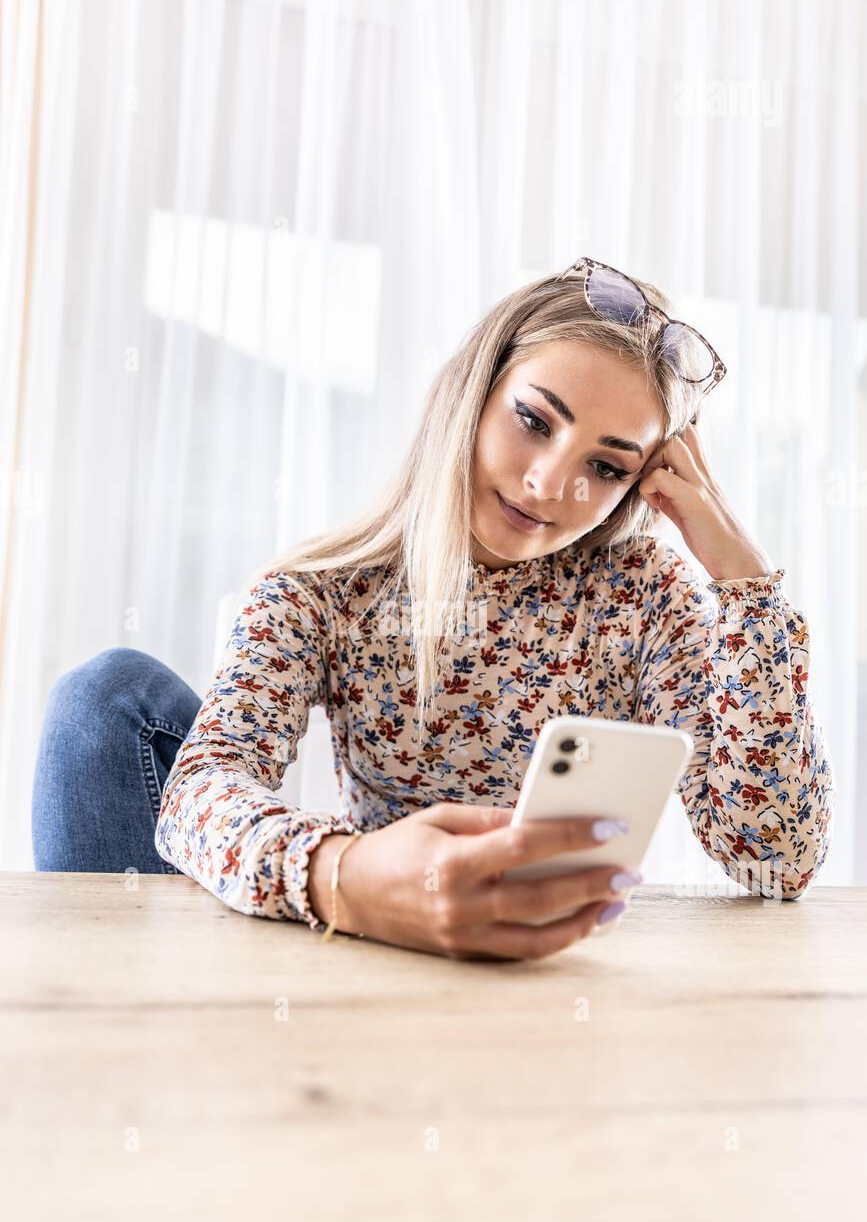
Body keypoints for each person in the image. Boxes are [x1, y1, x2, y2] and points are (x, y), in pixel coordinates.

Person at [31, 258, 836, 960]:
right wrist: (343, 873)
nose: (551, 485)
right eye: (533, 420)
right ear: (471, 394)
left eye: (607, 465)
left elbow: (775, 859)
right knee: (104, 696)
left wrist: (744, 583)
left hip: (559, 976)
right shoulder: (326, 588)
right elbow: (203, 787)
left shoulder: (643, 594)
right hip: (370, 947)